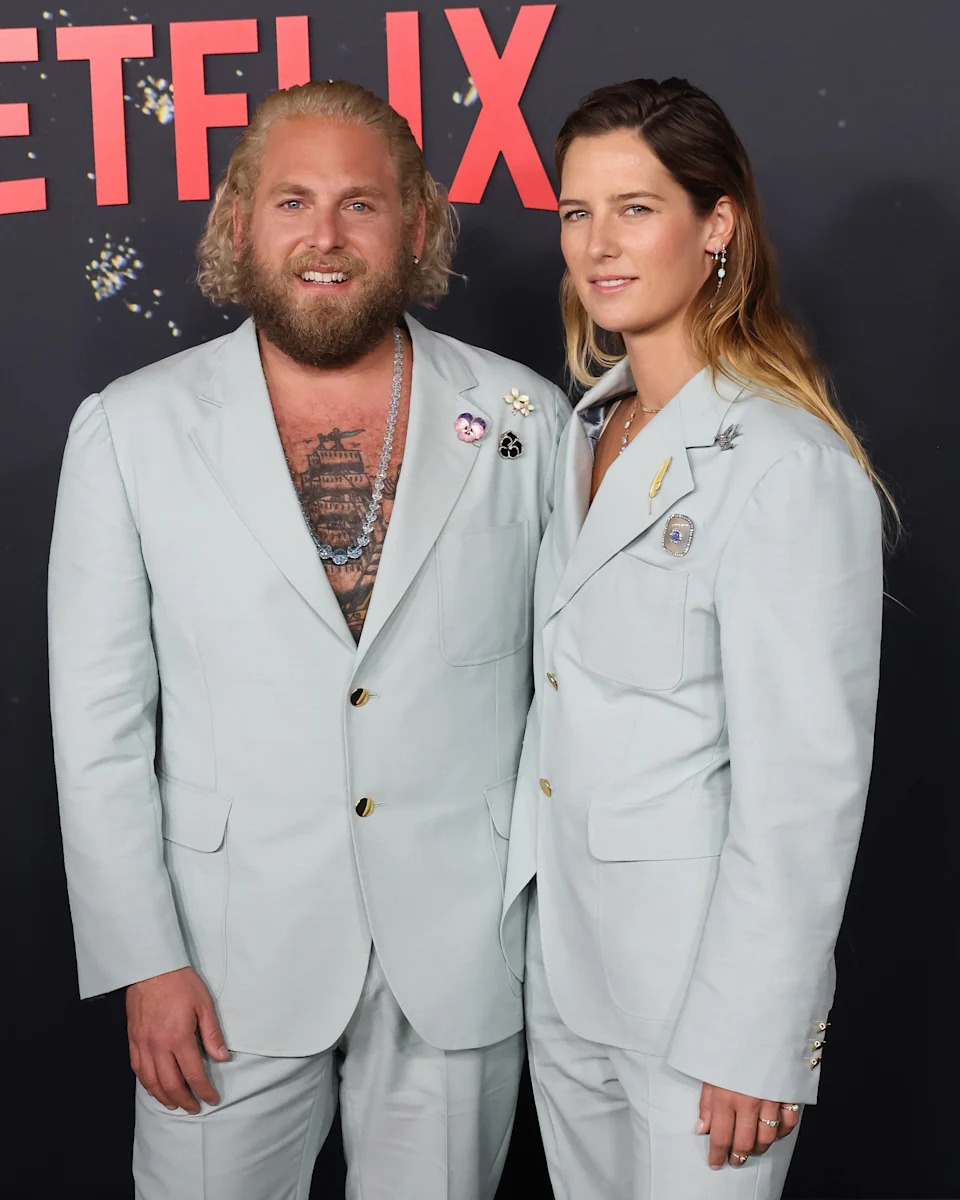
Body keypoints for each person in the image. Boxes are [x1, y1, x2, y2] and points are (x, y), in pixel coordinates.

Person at [48, 80, 568, 1200]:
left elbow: (573, 694)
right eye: (293, 202)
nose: (325, 236)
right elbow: (97, 726)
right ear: (241, 222)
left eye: (359, 205)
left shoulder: (526, 418)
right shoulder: (130, 429)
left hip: (461, 956)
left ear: (416, 224)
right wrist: (143, 958)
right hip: (221, 962)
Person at [501, 77, 888, 1199]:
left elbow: (805, 785)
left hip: (703, 1001)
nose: (599, 245)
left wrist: (760, 1031)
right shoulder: (579, 432)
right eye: (577, 212)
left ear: (717, 224)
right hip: (567, 974)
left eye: (637, 208)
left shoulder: (788, 464)